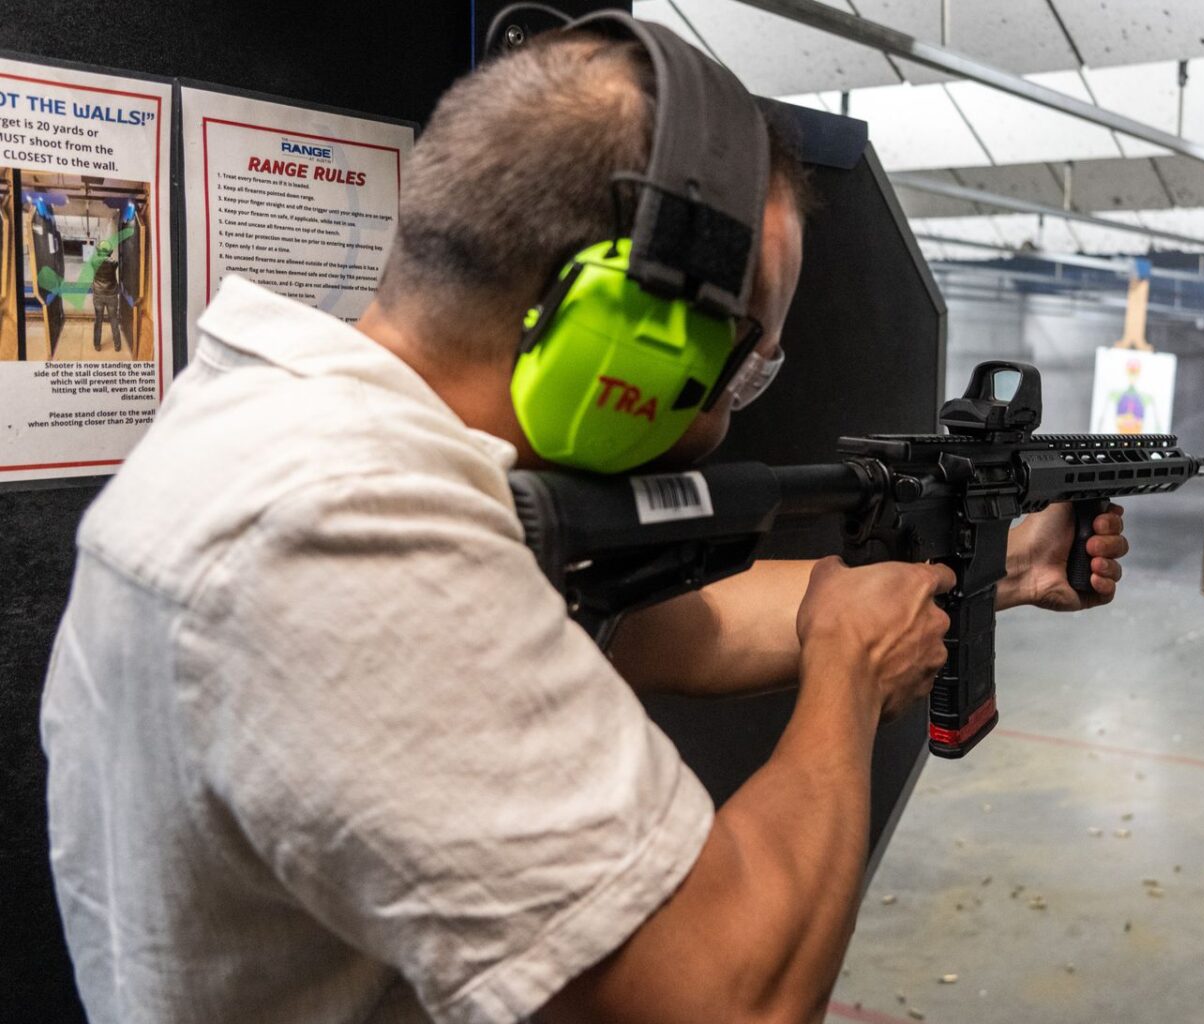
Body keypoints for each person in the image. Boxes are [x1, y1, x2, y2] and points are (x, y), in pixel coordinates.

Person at [41, 22, 1130, 1024]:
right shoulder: (342, 529)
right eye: (741, 370)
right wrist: (850, 674)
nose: (721, 418)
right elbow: (732, 998)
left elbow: (669, 624)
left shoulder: (291, 427)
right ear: (628, 340)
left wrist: (1002, 567)